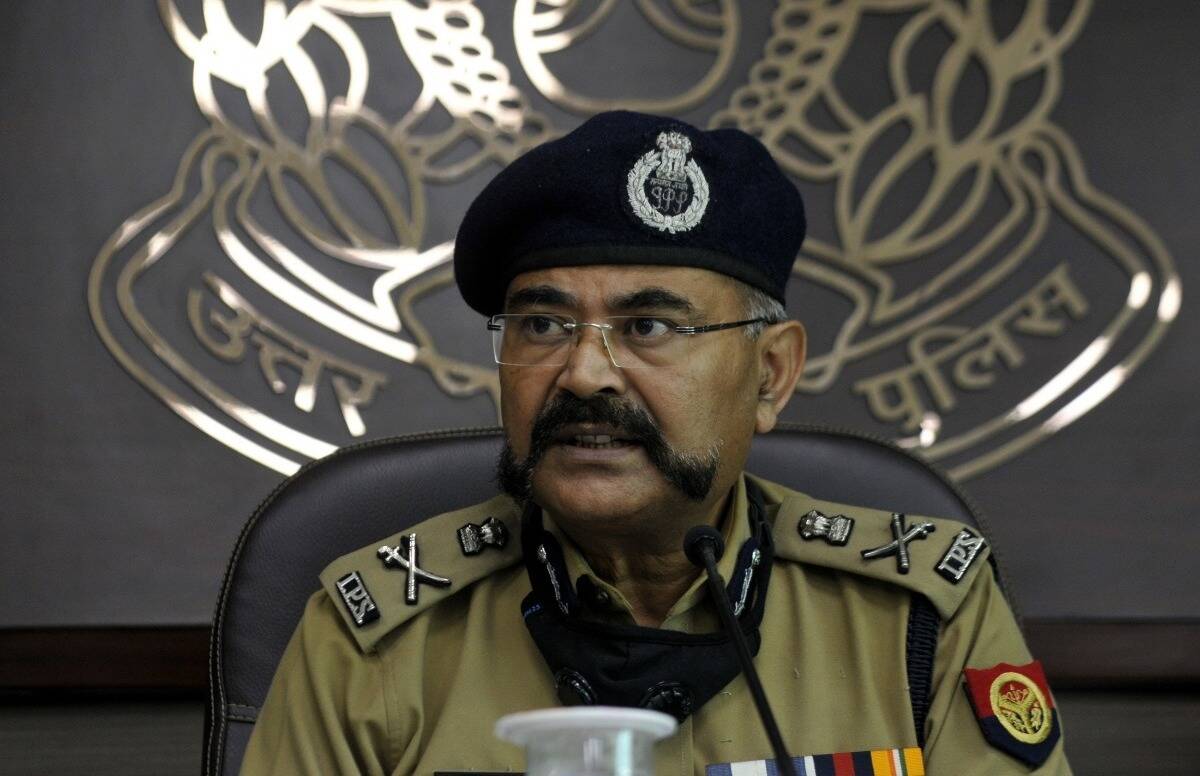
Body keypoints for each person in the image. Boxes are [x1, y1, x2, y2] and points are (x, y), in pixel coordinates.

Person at [240, 111, 1071, 775]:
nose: (582, 375)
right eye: (543, 325)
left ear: (771, 375)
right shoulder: (375, 637)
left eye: (648, 326)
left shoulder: (918, 618)